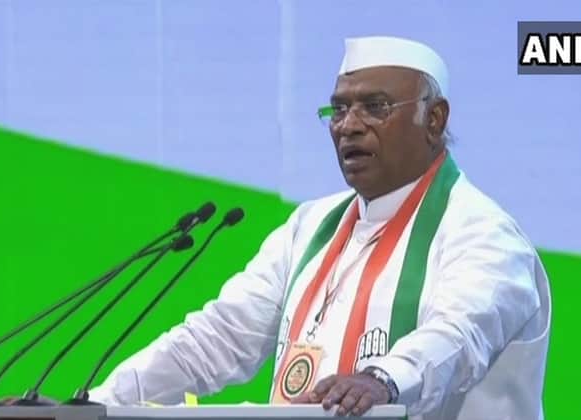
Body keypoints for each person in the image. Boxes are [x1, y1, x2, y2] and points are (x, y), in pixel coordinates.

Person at [88, 36, 550, 420]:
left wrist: (383, 380)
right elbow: (217, 338)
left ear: (434, 119)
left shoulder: (484, 233)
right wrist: (97, 404)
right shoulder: (309, 227)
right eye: (339, 110)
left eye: (375, 107)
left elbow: (460, 334)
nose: (349, 126)